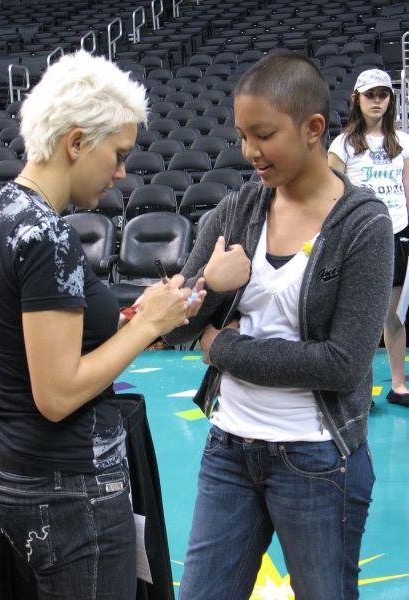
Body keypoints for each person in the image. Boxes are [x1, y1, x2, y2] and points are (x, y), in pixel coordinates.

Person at [0, 51, 205, 600]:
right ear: (76, 143)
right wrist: (147, 327)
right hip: (67, 493)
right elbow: (57, 394)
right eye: (116, 154)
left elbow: (41, 336)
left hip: (13, 469)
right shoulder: (47, 234)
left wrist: (135, 316)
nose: (121, 173)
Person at [165, 52, 394, 600]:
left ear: (313, 128)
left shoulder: (364, 225)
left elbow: (341, 364)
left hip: (318, 460)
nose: (250, 152)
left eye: (264, 135)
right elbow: (173, 328)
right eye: (243, 136)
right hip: (229, 448)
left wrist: (223, 348)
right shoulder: (237, 210)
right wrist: (212, 285)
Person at [328, 68, 409, 408]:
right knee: (362, 318)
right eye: (370, 95)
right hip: (361, 236)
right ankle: (360, 390)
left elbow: (406, 187)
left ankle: (399, 385)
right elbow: (332, 194)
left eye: (383, 94)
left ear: (391, 100)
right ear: (357, 100)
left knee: (394, 315)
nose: (377, 100)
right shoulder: (343, 144)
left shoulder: (403, 140)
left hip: (399, 232)